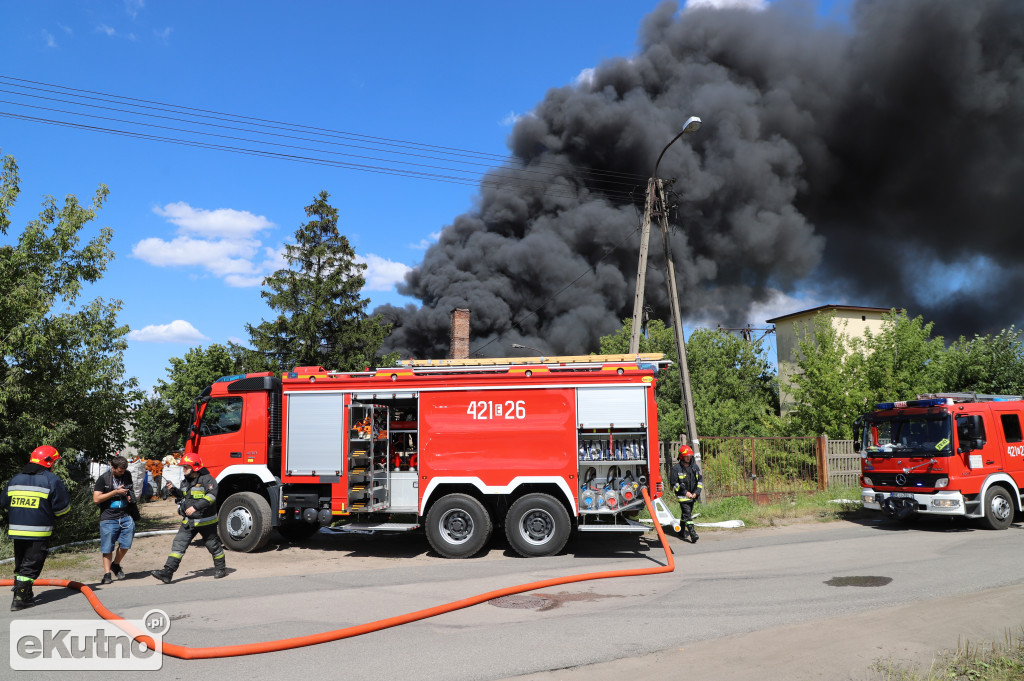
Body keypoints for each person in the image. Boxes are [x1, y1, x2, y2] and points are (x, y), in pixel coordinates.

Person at [1, 446, 71, 611]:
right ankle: (19, 600)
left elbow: (4, 503)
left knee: (21, 564)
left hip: (16, 531)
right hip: (38, 531)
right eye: (54, 462)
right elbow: (63, 509)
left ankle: (27, 593)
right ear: (48, 462)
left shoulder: (15, 479)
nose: (54, 466)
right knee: (31, 565)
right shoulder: (51, 480)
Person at [150, 453, 226, 583]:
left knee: (212, 545)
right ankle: (167, 572)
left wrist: (196, 507)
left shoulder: (208, 480)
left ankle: (221, 568)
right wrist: (174, 490)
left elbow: (211, 496)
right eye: (183, 467)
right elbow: (184, 497)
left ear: (195, 467)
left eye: (186, 467)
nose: (183, 470)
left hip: (206, 521)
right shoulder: (185, 482)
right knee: (179, 544)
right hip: (189, 521)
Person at [92, 455, 138, 584]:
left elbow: (130, 489)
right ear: (112, 468)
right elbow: (96, 499)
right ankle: (107, 574)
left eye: (123, 471)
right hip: (108, 518)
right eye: (119, 471)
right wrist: (115, 492)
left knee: (125, 544)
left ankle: (115, 564)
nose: (122, 473)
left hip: (125, 516)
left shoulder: (127, 475)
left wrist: (130, 496)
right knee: (107, 547)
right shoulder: (103, 479)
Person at [668, 444, 703, 543]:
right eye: (686, 456)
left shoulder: (695, 467)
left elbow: (700, 481)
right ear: (681, 457)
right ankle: (693, 533)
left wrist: (696, 492)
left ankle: (681, 531)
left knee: (685, 515)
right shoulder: (676, 469)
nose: (688, 458)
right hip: (682, 496)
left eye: (690, 456)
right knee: (688, 514)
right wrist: (685, 492)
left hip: (693, 495)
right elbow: (674, 483)